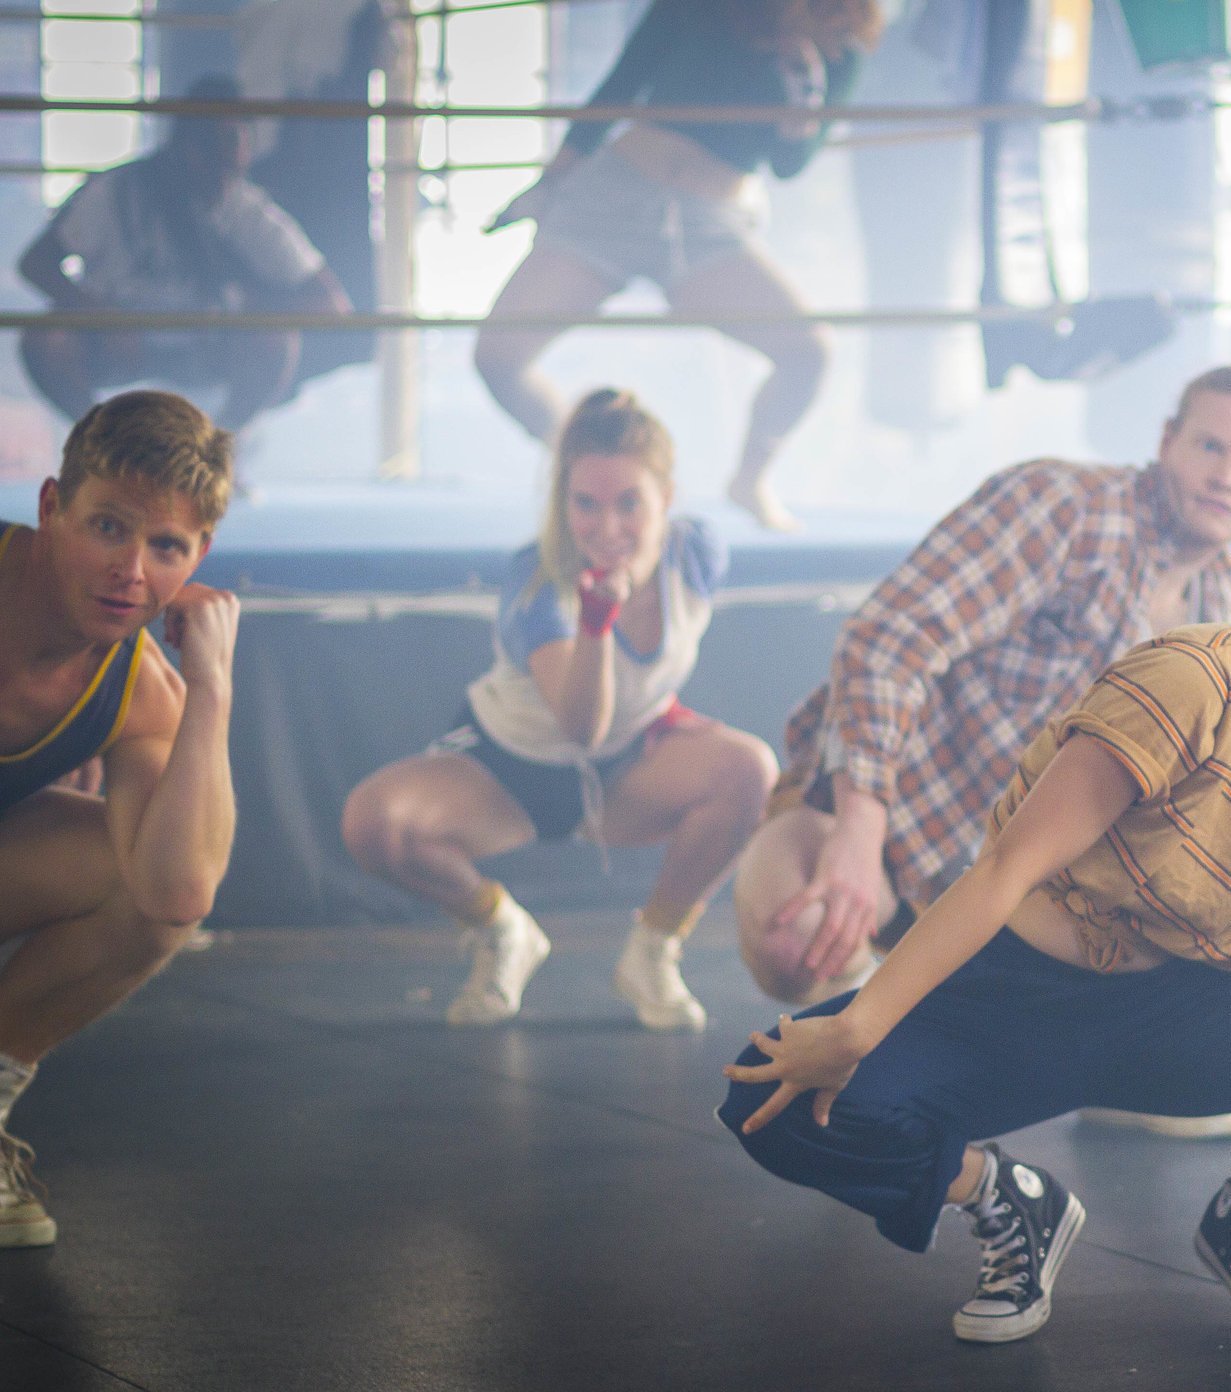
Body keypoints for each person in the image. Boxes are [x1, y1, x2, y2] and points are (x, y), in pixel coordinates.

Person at [717, 410, 1231, 1345]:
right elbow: (1005, 867)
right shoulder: (1194, 679)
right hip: (1018, 994)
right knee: (772, 1101)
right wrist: (858, 1025)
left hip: (1178, 1008)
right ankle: (1011, 1200)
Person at [735, 365, 1231, 1006]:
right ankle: (864, 965)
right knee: (798, 946)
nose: (1227, 477)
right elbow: (890, 639)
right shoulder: (1067, 505)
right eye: (1210, 446)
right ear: (1166, 441)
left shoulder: (1228, 605)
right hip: (899, 827)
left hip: (1019, 898)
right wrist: (857, 833)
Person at [341, 390, 777, 1031]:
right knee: (373, 824)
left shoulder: (696, 554)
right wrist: (597, 620)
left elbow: (640, 685)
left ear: (668, 497)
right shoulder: (538, 580)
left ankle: (653, 949)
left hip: (628, 766)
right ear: (562, 501)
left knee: (751, 770)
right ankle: (500, 929)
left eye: (629, 502)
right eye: (586, 504)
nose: (607, 528)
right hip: (509, 772)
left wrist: (666, 711)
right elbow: (580, 726)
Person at [477, 0, 883, 532]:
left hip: (707, 225)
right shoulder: (695, 7)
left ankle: (750, 480)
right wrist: (549, 183)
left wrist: (801, 97)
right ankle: (576, 465)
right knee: (497, 354)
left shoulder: (840, 47)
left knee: (809, 352)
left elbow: (789, 166)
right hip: (613, 196)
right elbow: (617, 88)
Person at [0, 390, 242, 1248]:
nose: (132, 571)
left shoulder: (144, 691)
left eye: (166, 546)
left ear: (199, 555)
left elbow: (175, 892)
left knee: (138, 878)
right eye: (109, 527)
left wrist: (211, 688)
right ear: (52, 507)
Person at [17, 75, 353, 438]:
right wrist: (97, 313)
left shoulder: (245, 208)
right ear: (183, 144)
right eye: (210, 152)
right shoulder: (118, 191)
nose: (221, 177)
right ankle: (103, 443)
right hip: (117, 343)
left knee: (276, 341)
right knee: (46, 341)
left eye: (231, 164)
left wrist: (247, 311)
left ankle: (220, 448)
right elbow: (36, 262)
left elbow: (330, 302)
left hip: (209, 346)